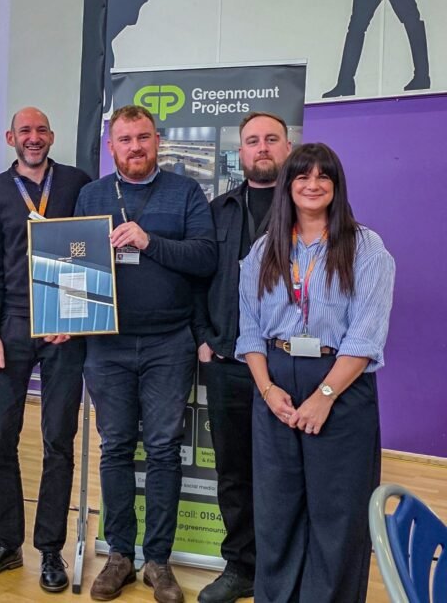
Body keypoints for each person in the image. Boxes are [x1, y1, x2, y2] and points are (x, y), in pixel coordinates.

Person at [236, 143, 394, 602]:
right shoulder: (266, 249)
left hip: (340, 382)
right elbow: (249, 332)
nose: (313, 184)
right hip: (276, 381)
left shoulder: (365, 247)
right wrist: (267, 391)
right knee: (276, 510)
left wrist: (324, 396)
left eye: (324, 176)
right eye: (303, 176)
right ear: (288, 185)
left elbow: (365, 336)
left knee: (338, 513)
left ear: (336, 187)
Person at [77, 105, 216, 603]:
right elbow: (71, 262)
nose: (134, 147)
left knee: (162, 450)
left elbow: (205, 257)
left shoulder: (185, 192)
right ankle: (119, 555)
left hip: (167, 343)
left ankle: (158, 561)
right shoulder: (92, 195)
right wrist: (60, 318)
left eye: (142, 138)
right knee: (115, 448)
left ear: (157, 140)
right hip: (105, 344)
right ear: (111, 146)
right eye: (124, 140)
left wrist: (150, 241)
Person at [0, 106, 91, 593]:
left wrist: (72, 316)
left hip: (62, 328)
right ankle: (7, 544)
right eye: (24, 131)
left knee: (59, 439)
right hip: (11, 326)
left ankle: (51, 549)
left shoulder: (78, 182)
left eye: (40, 131)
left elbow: (88, 249)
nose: (33, 138)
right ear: (10, 136)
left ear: (51, 136)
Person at [192, 112, 293, 603]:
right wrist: (203, 337)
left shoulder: (307, 208)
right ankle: (241, 568)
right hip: (229, 363)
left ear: (288, 146)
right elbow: (195, 280)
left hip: (291, 367)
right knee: (233, 471)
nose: (262, 148)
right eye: (252, 141)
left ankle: (285, 568)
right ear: (241, 151)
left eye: (271, 139)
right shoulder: (218, 211)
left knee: (286, 471)